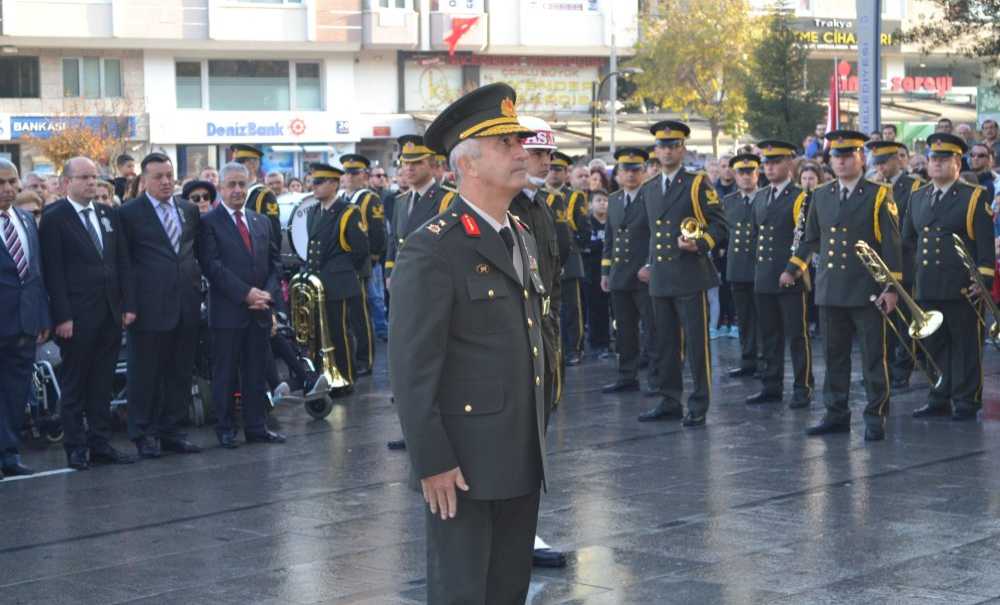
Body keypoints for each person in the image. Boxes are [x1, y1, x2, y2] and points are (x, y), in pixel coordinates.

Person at [390, 81, 548, 605]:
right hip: (463, 464)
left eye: (519, 142)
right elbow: (412, 368)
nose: (522, 151)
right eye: (507, 144)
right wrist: (431, 461)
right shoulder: (433, 248)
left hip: (521, 450)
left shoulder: (519, 233)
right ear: (469, 164)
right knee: (462, 591)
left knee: (507, 590)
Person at [785, 130, 901, 441]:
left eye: (848, 155)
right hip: (831, 288)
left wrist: (891, 289)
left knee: (873, 357)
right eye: (836, 156)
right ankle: (836, 413)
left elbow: (891, 245)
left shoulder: (878, 194)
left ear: (861, 158)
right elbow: (811, 239)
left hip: (867, 290)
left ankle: (876, 416)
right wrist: (793, 268)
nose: (841, 161)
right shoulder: (820, 195)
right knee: (834, 356)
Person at [40, 157, 135, 470]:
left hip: (109, 313)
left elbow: (121, 262)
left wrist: (126, 306)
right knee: (75, 384)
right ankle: (76, 447)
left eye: (95, 177)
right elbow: (53, 271)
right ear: (67, 182)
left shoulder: (109, 214)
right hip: (77, 317)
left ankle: (100, 442)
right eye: (84, 178)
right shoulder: (55, 217)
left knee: (101, 383)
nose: (91, 183)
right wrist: (62, 316)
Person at [637, 120, 728, 427]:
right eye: (662, 146)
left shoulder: (697, 183)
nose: (667, 151)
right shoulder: (649, 188)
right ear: (655, 151)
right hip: (662, 276)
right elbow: (651, 234)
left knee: (696, 344)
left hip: (690, 274)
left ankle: (699, 402)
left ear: (683, 149)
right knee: (664, 344)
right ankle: (669, 399)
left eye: (673, 145)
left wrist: (700, 243)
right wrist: (648, 264)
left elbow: (720, 225)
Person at [508, 117, 570, 569]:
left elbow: (554, 274)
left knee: (538, 433)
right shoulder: (510, 207)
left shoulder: (543, 207)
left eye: (549, 155)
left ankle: (523, 527)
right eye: (537, 153)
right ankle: (518, 532)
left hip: (544, 332)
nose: (546, 162)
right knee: (517, 436)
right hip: (518, 336)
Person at [905, 132, 995, 421]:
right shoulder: (917, 196)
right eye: (933, 159)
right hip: (927, 284)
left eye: (944, 160)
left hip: (961, 286)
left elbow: (984, 249)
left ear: (958, 162)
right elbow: (908, 241)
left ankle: (967, 399)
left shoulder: (973, 196)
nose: (937, 164)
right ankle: (939, 395)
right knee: (934, 345)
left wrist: (982, 282)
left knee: (965, 344)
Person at [119, 153, 204, 458]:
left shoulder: (188, 210)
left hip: (186, 305)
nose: (166, 182)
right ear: (144, 180)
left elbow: (195, 254)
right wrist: (127, 305)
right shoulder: (129, 213)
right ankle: (144, 433)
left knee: (180, 373)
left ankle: (173, 431)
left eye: (169, 175)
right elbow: (124, 263)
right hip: (148, 308)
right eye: (158, 176)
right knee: (146, 375)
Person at [199, 162, 285, 448]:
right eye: (231, 185)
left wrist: (266, 295)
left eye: (242, 185)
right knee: (225, 372)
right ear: (221, 188)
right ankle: (225, 428)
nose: (237, 190)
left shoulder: (260, 221)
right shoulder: (209, 223)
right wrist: (246, 293)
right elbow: (212, 266)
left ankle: (256, 426)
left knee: (255, 370)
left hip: (259, 310)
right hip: (228, 311)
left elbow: (274, 262)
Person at [745, 141, 814, 409]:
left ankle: (802, 386)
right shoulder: (761, 196)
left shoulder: (801, 197)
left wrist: (792, 269)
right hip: (764, 276)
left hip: (790, 277)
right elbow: (755, 235)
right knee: (769, 335)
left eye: (775, 162)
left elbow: (808, 238)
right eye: (767, 163)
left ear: (789, 165)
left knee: (797, 336)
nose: (769, 167)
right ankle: (771, 385)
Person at [0, 159, 50, 479]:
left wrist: (42, 316)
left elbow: (36, 273)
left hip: (24, 324)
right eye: (0, 183)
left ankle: (9, 453)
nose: (7, 189)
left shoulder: (26, 220)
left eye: (11, 182)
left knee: (16, 391)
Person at [303, 163, 370, 385]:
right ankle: (325, 375)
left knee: (339, 333)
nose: (314, 186)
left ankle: (345, 376)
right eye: (313, 181)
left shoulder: (348, 211)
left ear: (334, 184)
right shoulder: (314, 211)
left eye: (319, 182)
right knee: (320, 333)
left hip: (338, 282)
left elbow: (360, 249)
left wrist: (340, 270)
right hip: (318, 281)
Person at [867, 140, 924, 390]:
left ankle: (902, 369)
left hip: (904, 261)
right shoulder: (872, 187)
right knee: (880, 323)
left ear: (897, 160)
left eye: (884, 162)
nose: (880, 167)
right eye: (876, 163)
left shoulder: (914, 186)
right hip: (877, 264)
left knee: (903, 321)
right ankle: (884, 368)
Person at [601, 148, 658, 394]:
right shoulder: (614, 199)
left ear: (644, 172)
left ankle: (657, 380)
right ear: (618, 174)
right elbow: (610, 239)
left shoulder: (652, 197)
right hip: (619, 275)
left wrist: (650, 264)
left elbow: (659, 236)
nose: (631, 175)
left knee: (653, 329)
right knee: (624, 329)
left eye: (636, 170)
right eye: (626, 170)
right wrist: (605, 272)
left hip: (644, 275)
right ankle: (627, 376)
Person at [338, 153, 387, 377]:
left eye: (354, 173)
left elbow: (377, 231)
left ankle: (365, 359)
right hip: (343, 264)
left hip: (361, 263)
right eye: (346, 172)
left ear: (363, 175)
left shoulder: (368, 198)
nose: (349, 177)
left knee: (361, 313)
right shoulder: (342, 197)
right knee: (346, 314)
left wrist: (373, 257)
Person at [384, 135, 457, 284]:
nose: (409, 168)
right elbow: (394, 240)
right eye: (406, 162)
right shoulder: (400, 201)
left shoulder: (446, 199)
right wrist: (389, 272)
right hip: (403, 275)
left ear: (432, 165)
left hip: (431, 278)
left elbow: (452, 246)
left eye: (417, 162)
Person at [544, 147, 590, 366]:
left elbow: (583, 229)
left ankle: (575, 347)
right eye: (551, 169)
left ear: (566, 173)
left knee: (572, 307)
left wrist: (573, 246)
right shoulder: (540, 195)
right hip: (547, 256)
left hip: (570, 256)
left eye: (559, 170)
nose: (554, 173)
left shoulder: (574, 197)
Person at [723, 153, 762, 379]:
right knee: (744, 318)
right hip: (737, 267)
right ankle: (748, 360)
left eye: (750, 172)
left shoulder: (765, 197)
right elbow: (719, 230)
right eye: (741, 173)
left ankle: (765, 361)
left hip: (760, 266)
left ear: (758, 174)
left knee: (764, 319)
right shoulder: (728, 201)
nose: (746, 177)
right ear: (735, 176)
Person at [231, 145, 282, 244]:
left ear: (253, 165)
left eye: (240, 163)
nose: (235, 168)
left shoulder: (264, 195)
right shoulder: (233, 193)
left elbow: (273, 233)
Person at [584, 188, 610, 357]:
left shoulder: (612, 222)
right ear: (590, 204)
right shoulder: (587, 223)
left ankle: (610, 342)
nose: (602, 203)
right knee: (595, 310)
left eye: (605, 200)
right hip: (592, 273)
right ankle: (597, 343)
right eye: (598, 200)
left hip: (610, 272)